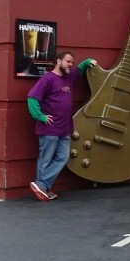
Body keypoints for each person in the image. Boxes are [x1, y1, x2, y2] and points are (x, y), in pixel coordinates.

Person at [27, 50, 96, 201]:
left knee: (63, 158)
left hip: (65, 129)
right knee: (46, 159)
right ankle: (43, 187)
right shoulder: (48, 79)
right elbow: (32, 97)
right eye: (68, 61)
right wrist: (40, 116)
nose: (71, 64)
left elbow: (81, 69)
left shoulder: (69, 77)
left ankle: (42, 185)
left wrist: (88, 61)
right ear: (58, 61)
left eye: (72, 62)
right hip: (49, 129)